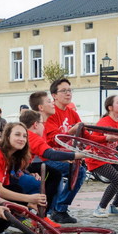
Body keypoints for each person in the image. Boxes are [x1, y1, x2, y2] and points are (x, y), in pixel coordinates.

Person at [18, 108, 85, 213]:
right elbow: (50, 154)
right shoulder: (33, 137)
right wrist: (76, 155)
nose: (43, 126)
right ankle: (41, 212)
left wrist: (66, 158)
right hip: (15, 172)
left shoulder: (27, 135)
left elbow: (48, 154)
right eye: (42, 123)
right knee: (38, 185)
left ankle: (43, 212)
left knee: (54, 175)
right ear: (36, 124)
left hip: (22, 169)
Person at [43, 79, 88, 223]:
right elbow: (52, 139)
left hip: (66, 156)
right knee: (78, 171)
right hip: (50, 156)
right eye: (64, 91)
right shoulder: (51, 112)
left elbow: (85, 135)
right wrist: (70, 131)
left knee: (78, 170)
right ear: (54, 95)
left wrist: (107, 137)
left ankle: (58, 208)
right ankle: (59, 209)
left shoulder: (72, 113)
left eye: (70, 90)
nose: (68, 93)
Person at [85, 95, 118, 217]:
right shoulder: (104, 122)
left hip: (109, 157)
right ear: (110, 107)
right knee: (116, 179)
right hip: (96, 157)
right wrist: (107, 137)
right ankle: (100, 208)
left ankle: (115, 206)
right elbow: (92, 139)